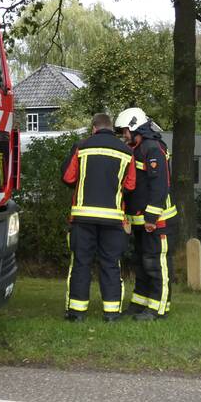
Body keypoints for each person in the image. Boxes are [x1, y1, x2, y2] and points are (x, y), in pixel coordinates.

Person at [60, 113, 137, 322]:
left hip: (82, 218)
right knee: (111, 264)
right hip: (113, 219)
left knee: (81, 264)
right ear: (111, 128)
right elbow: (130, 185)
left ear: (94, 127)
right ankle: (111, 314)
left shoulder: (82, 146)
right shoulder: (126, 151)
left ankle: (76, 313)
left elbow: (68, 177)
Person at [114, 107, 178, 320]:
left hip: (157, 221)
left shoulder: (153, 148)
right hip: (140, 221)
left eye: (125, 130)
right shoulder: (136, 148)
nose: (124, 135)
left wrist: (151, 218)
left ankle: (158, 309)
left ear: (134, 126)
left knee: (156, 264)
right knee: (141, 263)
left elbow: (160, 185)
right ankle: (140, 304)